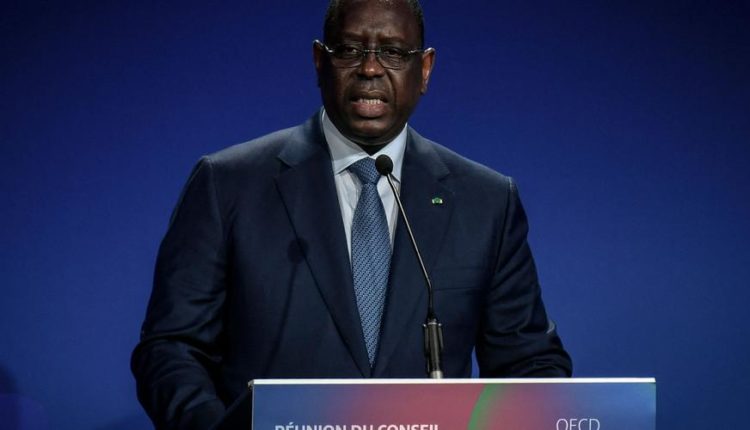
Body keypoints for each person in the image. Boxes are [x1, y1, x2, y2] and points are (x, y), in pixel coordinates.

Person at [131, 0, 572, 428]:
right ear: (319, 62)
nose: (370, 69)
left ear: (424, 69)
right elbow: (172, 348)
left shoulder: (486, 201)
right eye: (349, 49)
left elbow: (529, 363)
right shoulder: (227, 184)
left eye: (393, 52)